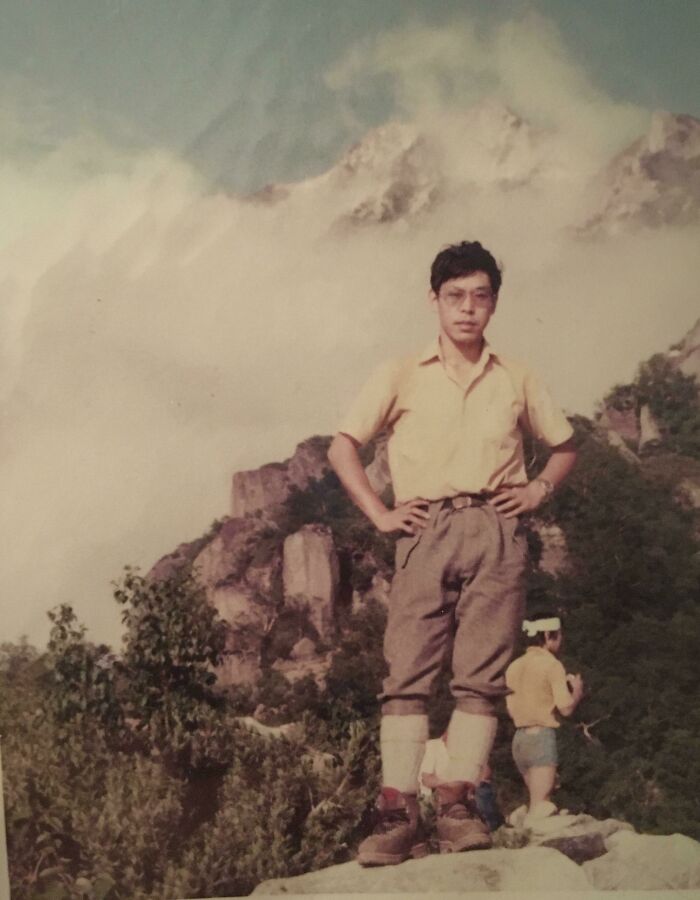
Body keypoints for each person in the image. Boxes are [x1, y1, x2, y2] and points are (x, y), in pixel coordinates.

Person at [327, 240, 577, 866]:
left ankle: (459, 804)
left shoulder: (516, 376)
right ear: (434, 300)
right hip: (425, 527)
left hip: (496, 527)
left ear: (495, 302)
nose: (468, 309)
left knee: (481, 677)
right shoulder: (401, 372)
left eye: (481, 296)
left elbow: (566, 445)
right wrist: (382, 513)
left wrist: (540, 487)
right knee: (406, 672)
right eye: (455, 296)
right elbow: (342, 447)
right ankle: (396, 813)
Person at [504, 613, 585, 828]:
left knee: (535, 804)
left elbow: (511, 709)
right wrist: (577, 691)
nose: (561, 641)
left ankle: (520, 822)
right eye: (559, 637)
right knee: (542, 808)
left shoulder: (514, 667)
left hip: (519, 740)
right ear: (549, 636)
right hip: (541, 737)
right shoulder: (552, 665)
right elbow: (565, 708)